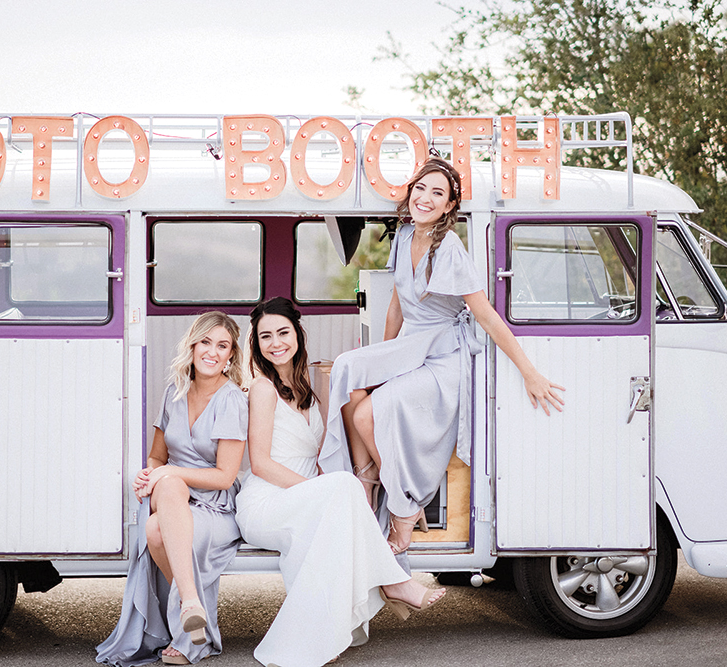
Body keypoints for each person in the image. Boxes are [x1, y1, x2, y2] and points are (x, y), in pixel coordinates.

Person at [318, 157, 565, 558]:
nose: (426, 198)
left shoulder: (448, 248)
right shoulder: (403, 236)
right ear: (411, 192)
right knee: (348, 370)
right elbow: (397, 302)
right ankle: (368, 479)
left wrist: (529, 371)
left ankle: (402, 507)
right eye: (421, 189)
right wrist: (384, 358)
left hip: (443, 355)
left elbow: (485, 314)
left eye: (438, 193)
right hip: (410, 346)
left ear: (450, 206)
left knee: (365, 415)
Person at [235, 297, 446, 667]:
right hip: (265, 503)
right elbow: (261, 464)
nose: (275, 342)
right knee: (345, 486)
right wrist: (319, 491)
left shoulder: (304, 388)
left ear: (297, 334)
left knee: (342, 494)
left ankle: (325, 634)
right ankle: (394, 581)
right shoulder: (263, 388)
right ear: (256, 344)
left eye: (283, 332)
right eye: (265, 336)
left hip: (298, 498)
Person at [97, 312, 248, 666]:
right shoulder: (174, 392)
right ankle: (192, 608)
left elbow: (226, 476)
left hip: (216, 506)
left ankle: (187, 614)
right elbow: (156, 456)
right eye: (206, 342)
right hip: (172, 499)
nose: (212, 352)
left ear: (231, 355)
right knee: (163, 498)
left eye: (222, 346)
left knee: (155, 528)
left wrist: (166, 474)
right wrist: (147, 474)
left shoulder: (232, 400)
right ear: (192, 346)